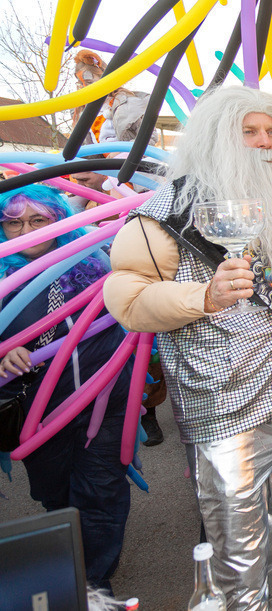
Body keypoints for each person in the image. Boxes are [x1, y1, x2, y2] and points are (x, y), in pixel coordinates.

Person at [104, 86, 272, 611]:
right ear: (218, 138)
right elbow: (126, 295)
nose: (264, 142)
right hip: (225, 412)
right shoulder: (173, 209)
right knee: (236, 558)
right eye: (249, 131)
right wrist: (202, 296)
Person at [0, 184, 132, 592]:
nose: (26, 231)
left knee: (102, 491)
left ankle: (93, 584)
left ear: (59, 220)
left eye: (38, 220)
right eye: (14, 223)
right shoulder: (2, 278)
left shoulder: (96, 261)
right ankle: (70, 563)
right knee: (55, 493)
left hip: (105, 398)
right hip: (38, 412)